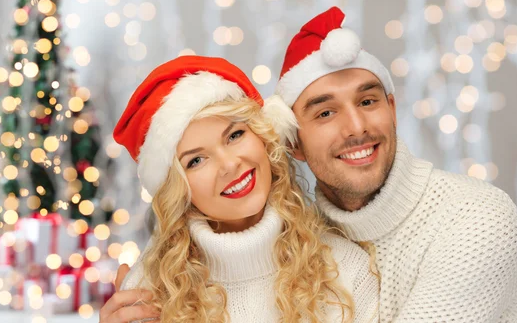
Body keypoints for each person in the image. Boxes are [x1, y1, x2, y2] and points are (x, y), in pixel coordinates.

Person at [270, 6, 517, 322]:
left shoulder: (477, 219)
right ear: (293, 144)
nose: (356, 127)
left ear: (392, 110)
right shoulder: (301, 245)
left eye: (367, 102)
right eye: (325, 113)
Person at [100, 56, 379, 323]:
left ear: (264, 139)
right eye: (196, 160)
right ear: (176, 189)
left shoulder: (346, 270)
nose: (229, 165)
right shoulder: (149, 293)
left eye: (235, 135)